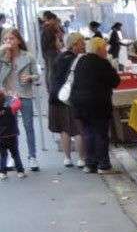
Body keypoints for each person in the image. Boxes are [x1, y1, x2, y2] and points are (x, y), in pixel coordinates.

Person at [69, 37, 120, 174]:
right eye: (104, 48)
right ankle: (103, 165)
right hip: (98, 104)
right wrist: (113, 67)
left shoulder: (81, 61)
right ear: (99, 49)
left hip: (79, 103)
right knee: (100, 133)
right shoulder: (102, 63)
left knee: (88, 132)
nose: (106, 50)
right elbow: (115, 81)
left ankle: (90, 164)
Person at [0, 29, 40, 171]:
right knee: (10, 129)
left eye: (11, 38)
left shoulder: (28, 56)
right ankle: (13, 156)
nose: (8, 42)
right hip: (8, 97)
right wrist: (3, 51)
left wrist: (30, 77)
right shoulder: (3, 57)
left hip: (25, 95)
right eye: (6, 39)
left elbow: (37, 75)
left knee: (29, 127)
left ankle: (32, 156)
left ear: (18, 40)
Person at [49, 32, 87, 168]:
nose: (84, 45)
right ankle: (82, 158)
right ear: (75, 44)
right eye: (82, 42)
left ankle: (67, 158)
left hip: (57, 96)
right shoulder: (77, 59)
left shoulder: (59, 57)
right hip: (70, 97)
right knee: (77, 128)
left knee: (64, 129)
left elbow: (52, 77)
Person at [0, 88, 25, 180]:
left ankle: (2, 172)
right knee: (15, 153)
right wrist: (15, 97)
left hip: (1, 137)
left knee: (3, 155)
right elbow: (18, 104)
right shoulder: (10, 109)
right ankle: (20, 172)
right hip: (12, 135)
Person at [40, 11, 64, 87]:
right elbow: (54, 39)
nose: (55, 21)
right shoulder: (50, 28)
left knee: (48, 69)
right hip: (51, 51)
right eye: (55, 20)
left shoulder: (45, 27)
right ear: (51, 19)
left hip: (47, 51)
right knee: (51, 70)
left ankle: (49, 86)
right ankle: (51, 86)